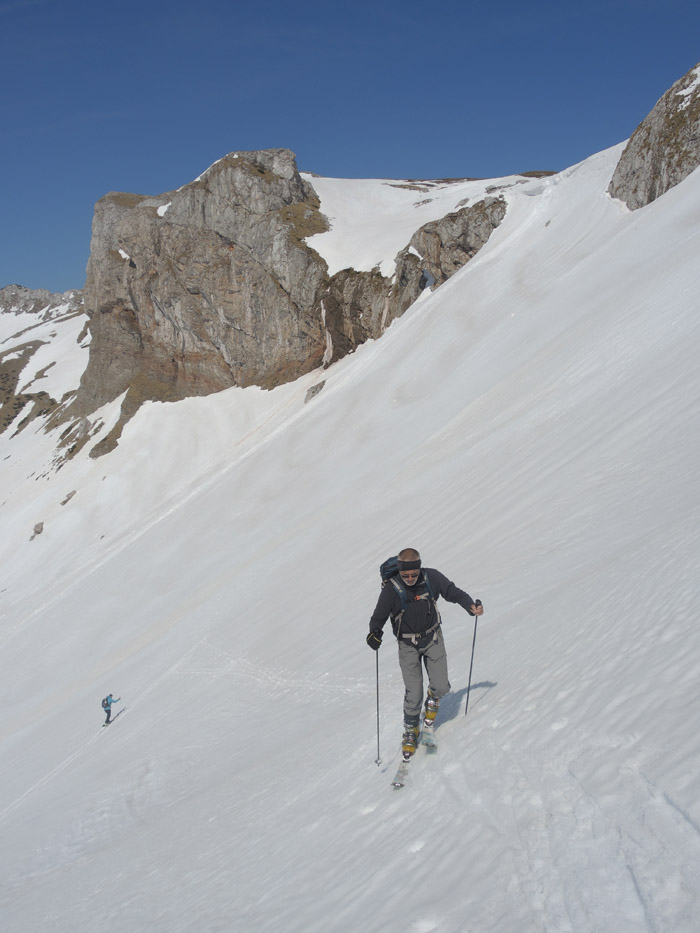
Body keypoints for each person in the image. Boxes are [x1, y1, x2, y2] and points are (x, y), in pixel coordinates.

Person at [366, 548, 483, 757]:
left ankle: (432, 700)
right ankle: (411, 730)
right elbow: (378, 617)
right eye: (405, 575)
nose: (410, 579)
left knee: (441, 686)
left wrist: (470, 606)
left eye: (414, 574)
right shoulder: (391, 589)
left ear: (419, 568)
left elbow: (452, 592)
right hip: (407, 645)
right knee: (414, 692)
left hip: (433, 638)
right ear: (400, 571)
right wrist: (374, 634)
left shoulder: (431, 577)